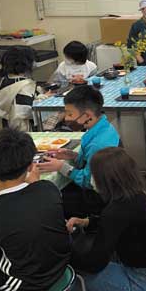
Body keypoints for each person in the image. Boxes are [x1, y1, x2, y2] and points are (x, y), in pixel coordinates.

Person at [67, 147, 146, 291]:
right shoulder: (136, 195)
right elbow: (116, 225)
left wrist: (65, 254)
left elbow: (94, 263)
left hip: (143, 282)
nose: (92, 179)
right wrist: (86, 222)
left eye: (94, 174)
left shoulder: (115, 211)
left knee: (74, 278)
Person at [0, 129, 71, 291]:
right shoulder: (48, 189)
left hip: (22, 288)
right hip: (60, 267)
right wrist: (34, 183)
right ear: (30, 166)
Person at [37, 85, 120, 218]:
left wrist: (61, 166)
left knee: (48, 198)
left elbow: (88, 182)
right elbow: (91, 161)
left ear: (87, 115)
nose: (66, 119)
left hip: (98, 198)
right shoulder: (103, 127)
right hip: (108, 189)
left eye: (70, 114)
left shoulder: (97, 144)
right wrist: (73, 155)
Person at [0, 46, 47, 131]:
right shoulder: (24, 85)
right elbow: (25, 111)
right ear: (27, 63)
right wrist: (43, 99)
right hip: (24, 127)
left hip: (8, 124)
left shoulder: (5, 79)